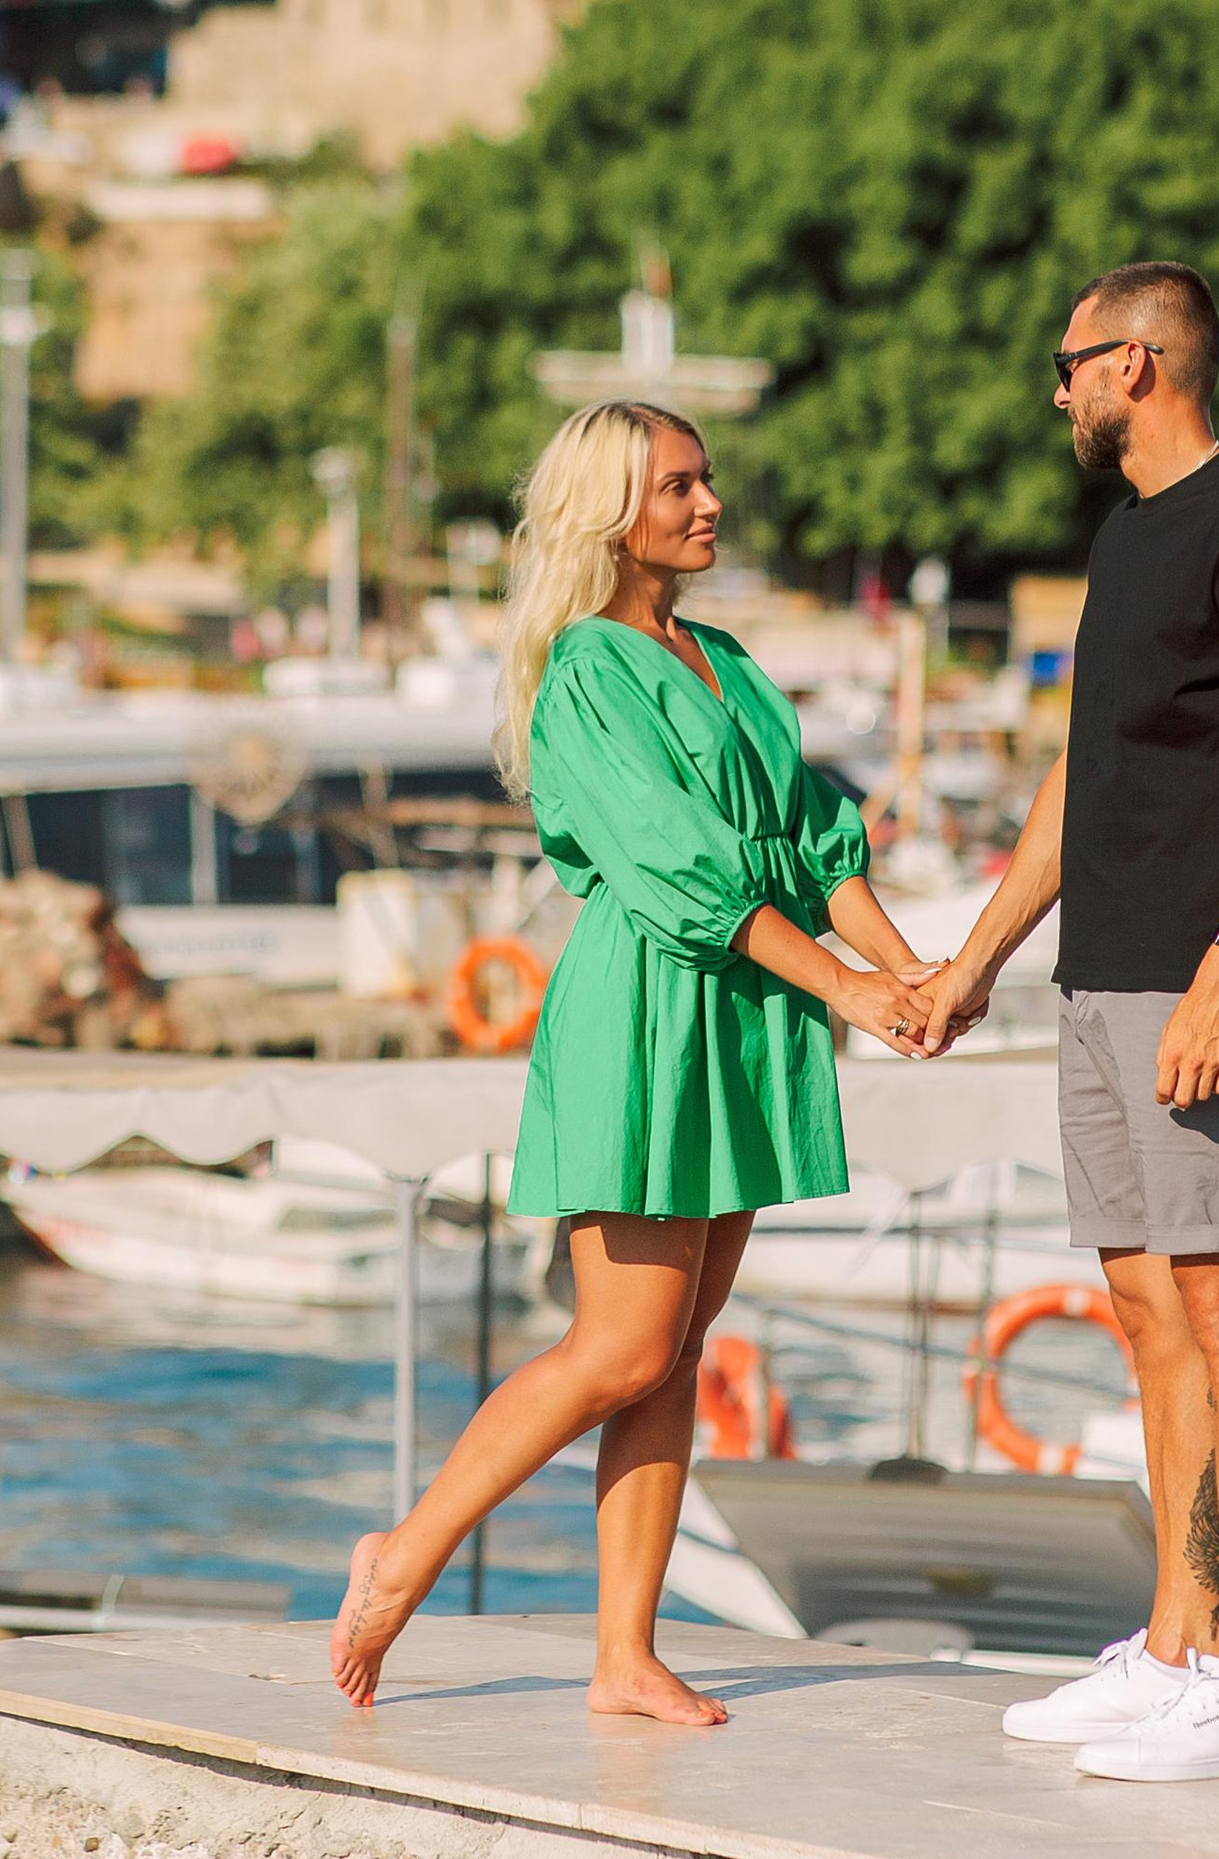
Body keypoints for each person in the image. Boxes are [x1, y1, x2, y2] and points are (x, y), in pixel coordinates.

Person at [330, 400, 935, 1720]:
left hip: (741, 1008)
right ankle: (405, 1554)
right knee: (620, 1346)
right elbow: (682, 870)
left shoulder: (724, 659)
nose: (709, 504)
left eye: (706, 480)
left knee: (676, 1349)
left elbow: (814, 836)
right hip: (652, 1003)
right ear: (611, 512)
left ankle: (624, 1655)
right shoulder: (588, 671)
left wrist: (909, 976)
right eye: (678, 486)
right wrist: (846, 986)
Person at [911, 262, 1219, 1783]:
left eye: (1072, 362)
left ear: (1139, 363)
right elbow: (1082, 777)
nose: (1060, 390)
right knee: (1152, 1312)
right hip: (1099, 979)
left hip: (1193, 981)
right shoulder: (1128, 536)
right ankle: (1175, 1650)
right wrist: (976, 962)